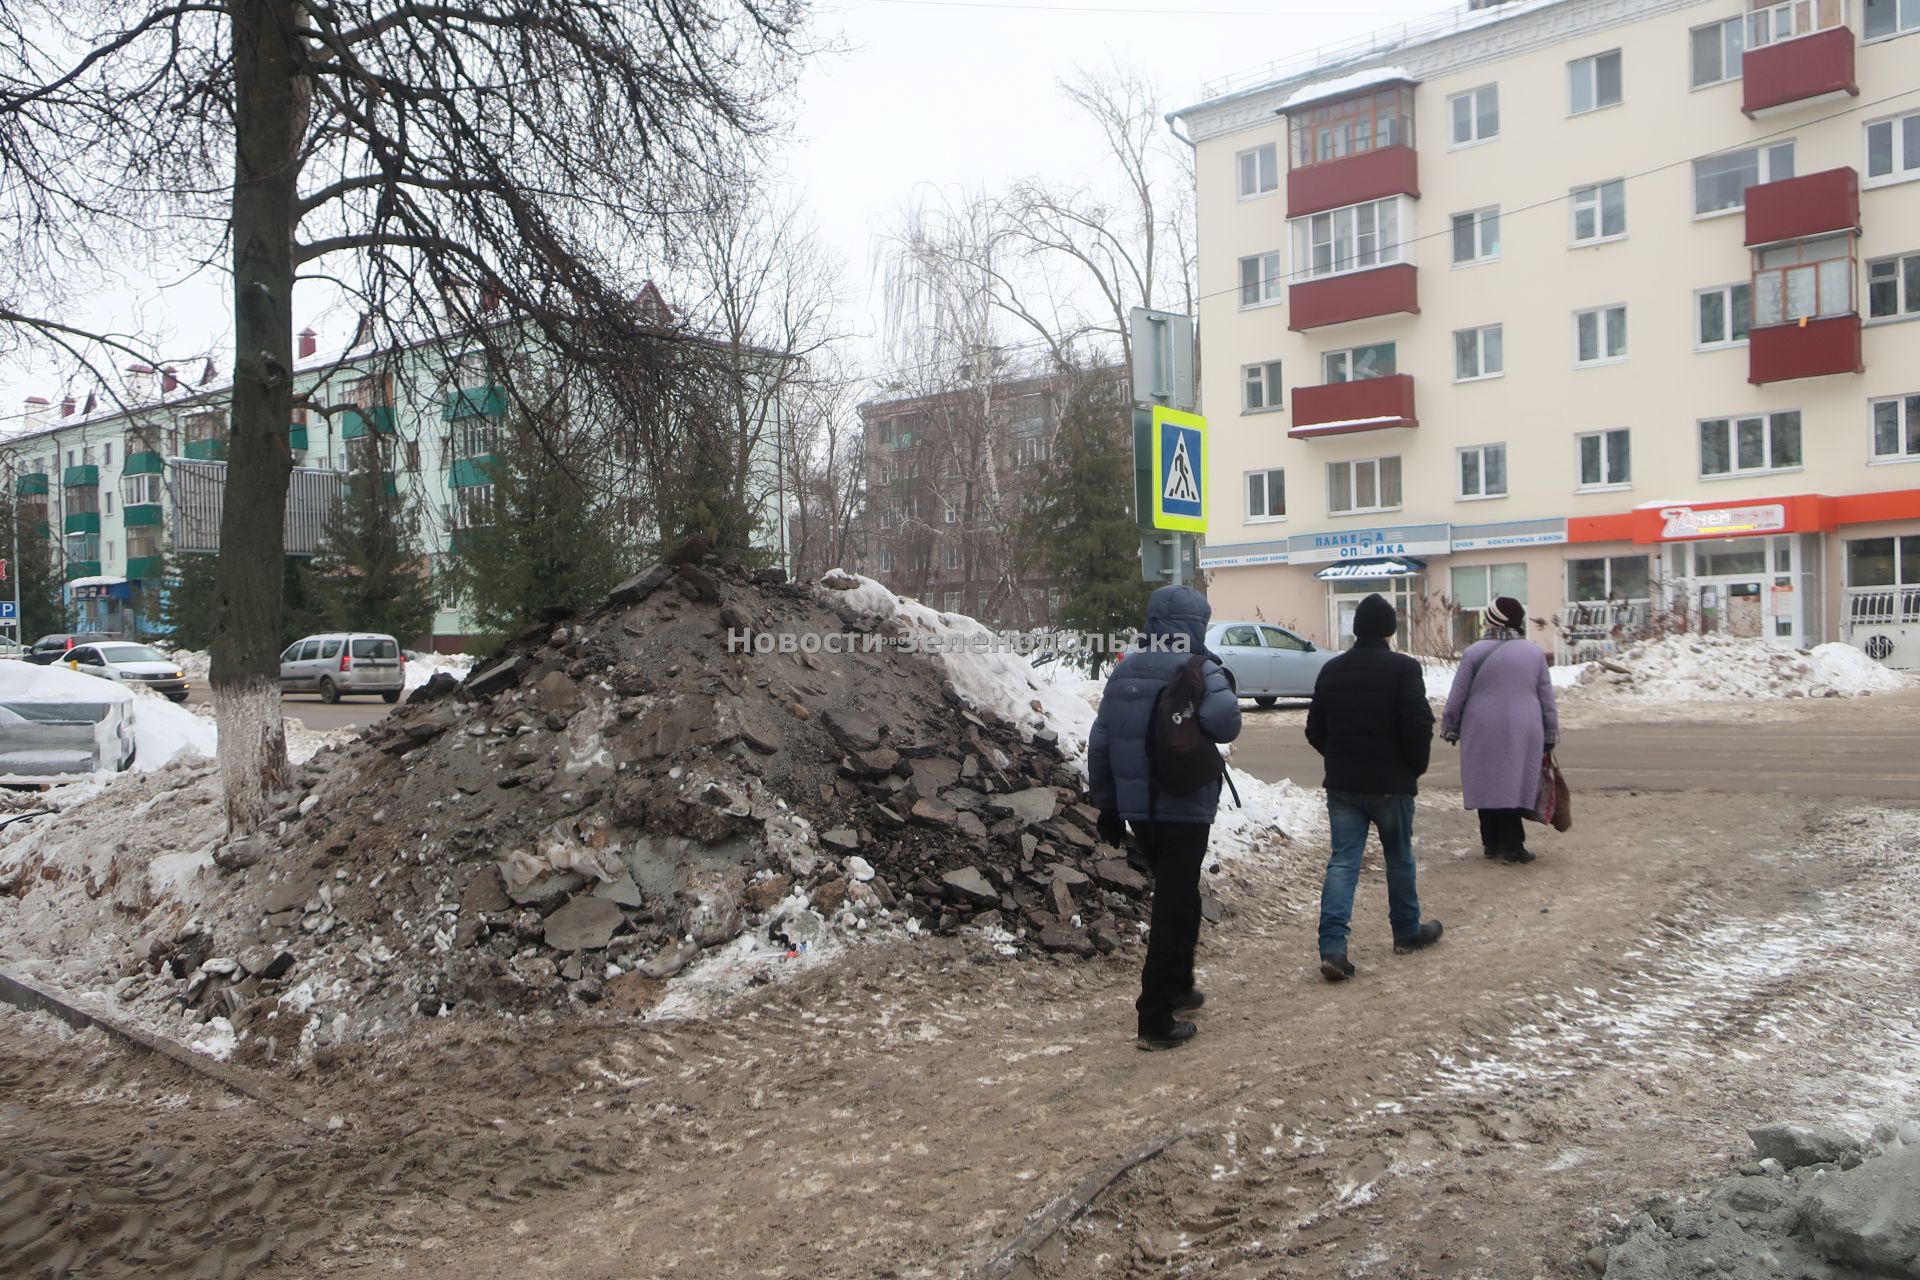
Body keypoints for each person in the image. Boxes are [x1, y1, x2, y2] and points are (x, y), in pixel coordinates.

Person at [1087, 584, 1242, 1051]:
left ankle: (1179, 984)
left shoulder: (1125, 669)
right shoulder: (1201, 667)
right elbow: (1227, 724)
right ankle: (1154, 1016)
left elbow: (1101, 741)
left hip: (1140, 811)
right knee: (1173, 904)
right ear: (1197, 624)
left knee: (1179, 893)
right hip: (1185, 805)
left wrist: (1109, 806)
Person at [1304, 592, 1443, 983]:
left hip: (1344, 785)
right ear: (1389, 630)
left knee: (1343, 862)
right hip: (1391, 784)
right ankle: (1406, 931)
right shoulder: (1404, 669)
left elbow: (1315, 729)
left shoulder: (1332, 670)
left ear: (1355, 629)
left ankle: (1332, 948)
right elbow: (1418, 725)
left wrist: (1338, 757)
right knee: (1398, 856)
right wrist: (1413, 769)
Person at [1440, 596, 1560, 864]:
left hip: (1481, 725)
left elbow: (1458, 693)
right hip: (1525, 724)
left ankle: (1493, 842)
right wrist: (1551, 732)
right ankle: (1513, 845)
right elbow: (1546, 697)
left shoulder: (1474, 653)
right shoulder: (1533, 652)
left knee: (1486, 780)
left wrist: (1450, 725)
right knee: (1513, 781)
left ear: (1490, 620)